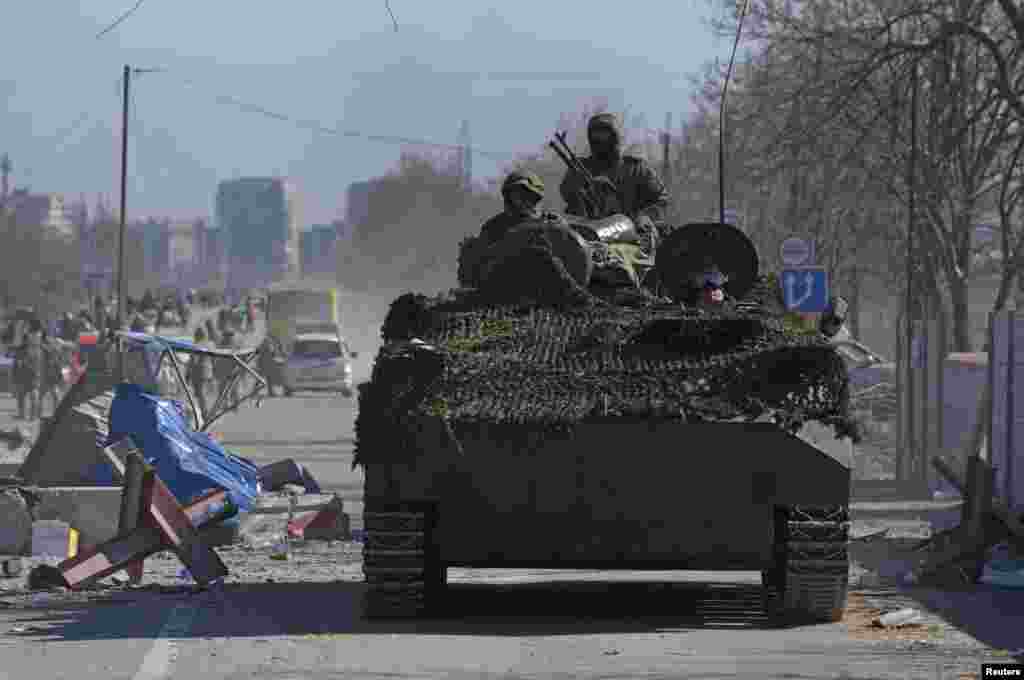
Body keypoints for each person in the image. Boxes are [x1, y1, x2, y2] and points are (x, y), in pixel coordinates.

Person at [558, 112, 670, 244]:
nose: (599, 140)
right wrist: (577, 186)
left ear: (615, 136)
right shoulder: (581, 167)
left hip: (631, 237)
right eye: (595, 135)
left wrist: (644, 217)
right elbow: (567, 194)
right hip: (588, 237)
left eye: (604, 134)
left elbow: (661, 200)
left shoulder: (636, 169)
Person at [186, 327, 215, 426]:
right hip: (208, 372)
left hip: (198, 373)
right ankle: (207, 414)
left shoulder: (196, 345)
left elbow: (193, 361)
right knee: (204, 395)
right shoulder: (210, 344)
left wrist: (188, 375)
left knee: (201, 395)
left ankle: (205, 415)